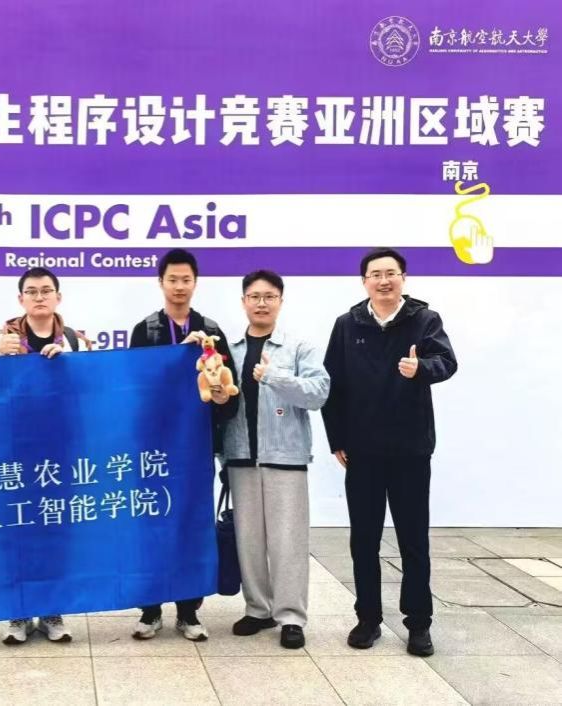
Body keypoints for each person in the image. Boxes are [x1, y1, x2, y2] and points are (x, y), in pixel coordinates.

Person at [322, 248, 457, 657]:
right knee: (364, 540)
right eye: (375, 274)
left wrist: (422, 369)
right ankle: (368, 619)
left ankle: (419, 624)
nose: (384, 280)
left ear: (403, 278)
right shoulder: (347, 324)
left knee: (413, 540)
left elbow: (447, 362)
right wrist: (337, 438)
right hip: (362, 451)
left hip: (410, 449)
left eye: (391, 273)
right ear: (364, 281)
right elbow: (332, 385)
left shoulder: (424, 319)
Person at [128, 248, 240, 642]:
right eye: (172, 279)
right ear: (161, 283)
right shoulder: (145, 331)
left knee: (192, 525)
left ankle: (189, 612)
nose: (179, 286)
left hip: (196, 446)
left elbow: (229, 392)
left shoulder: (211, 330)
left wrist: (221, 395)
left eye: (186, 279)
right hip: (155, 447)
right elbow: (134, 387)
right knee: (152, 524)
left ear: (195, 283)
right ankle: (150, 610)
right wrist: (176, 357)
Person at [221, 270, 329, 649]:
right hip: (240, 455)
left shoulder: (298, 347)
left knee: (288, 541)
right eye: (254, 296)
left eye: (269, 296)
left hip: (285, 457)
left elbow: (318, 393)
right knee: (248, 540)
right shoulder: (230, 348)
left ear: (280, 301)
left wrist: (274, 377)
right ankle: (258, 608)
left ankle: (291, 617)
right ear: (243, 302)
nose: (261, 303)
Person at [0, 267, 93, 644]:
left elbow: (96, 388)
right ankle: (17, 613)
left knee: (55, 531)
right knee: (15, 532)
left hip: (60, 451)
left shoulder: (76, 342)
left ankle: (51, 611)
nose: (39, 297)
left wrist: (70, 364)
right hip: (13, 451)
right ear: (21, 300)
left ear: (58, 297)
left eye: (46, 290)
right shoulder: (3, 340)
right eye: (31, 291)